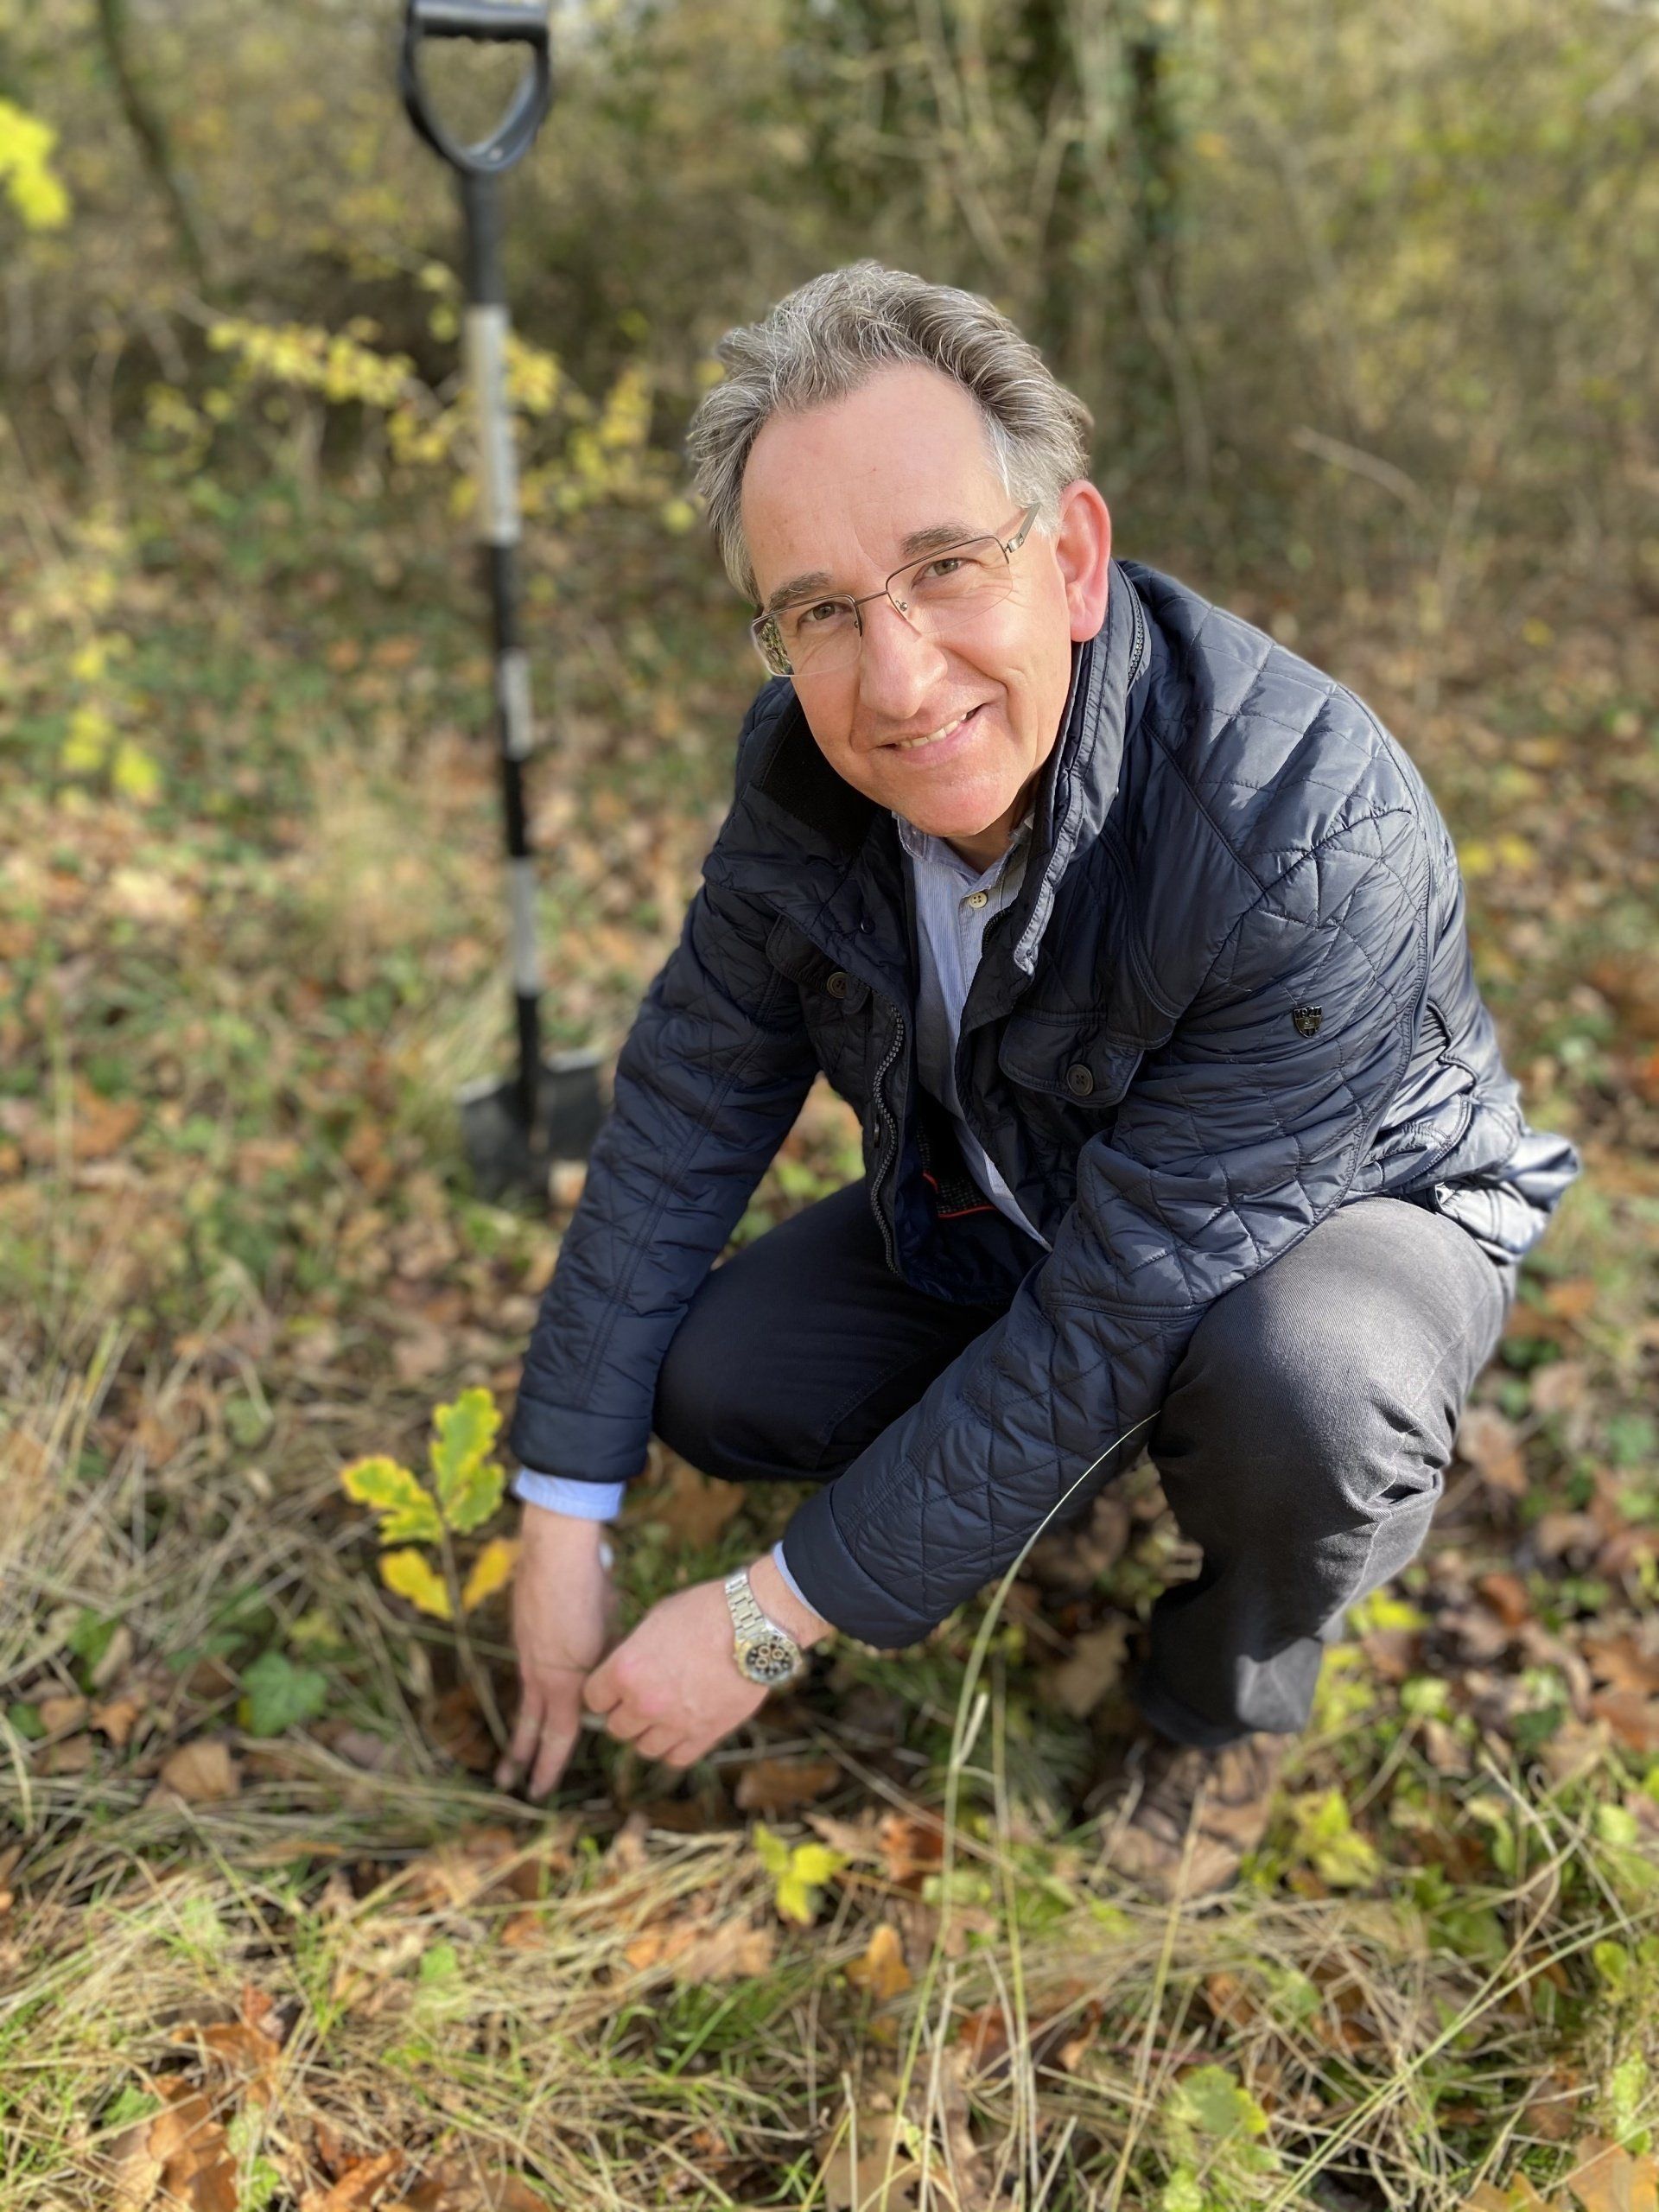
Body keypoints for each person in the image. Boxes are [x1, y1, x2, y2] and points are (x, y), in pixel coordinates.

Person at [491, 261, 1580, 1897]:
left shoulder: (1308, 834)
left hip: (1346, 1217)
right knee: (723, 1379)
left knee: (1305, 1392)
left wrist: (766, 1619)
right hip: (1022, 1186)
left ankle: (1220, 1707)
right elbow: (680, 1112)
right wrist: (561, 1511)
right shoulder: (804, 779)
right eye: (821, 612)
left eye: (943, 568)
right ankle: (1034, 1499)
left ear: (1070, 558)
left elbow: (1125, 1305)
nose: (897, 679)